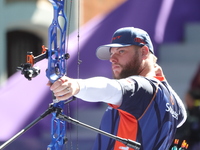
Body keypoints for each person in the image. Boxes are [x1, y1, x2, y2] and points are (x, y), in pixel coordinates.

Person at [49, 27, 187, 150]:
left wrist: (77, 86)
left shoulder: (141, 87)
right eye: (111, 53)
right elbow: (182, 117)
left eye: (121, 51)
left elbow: (109, 88)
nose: (112, 59)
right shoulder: (166, 96)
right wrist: (163, 81)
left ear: (144, 51)